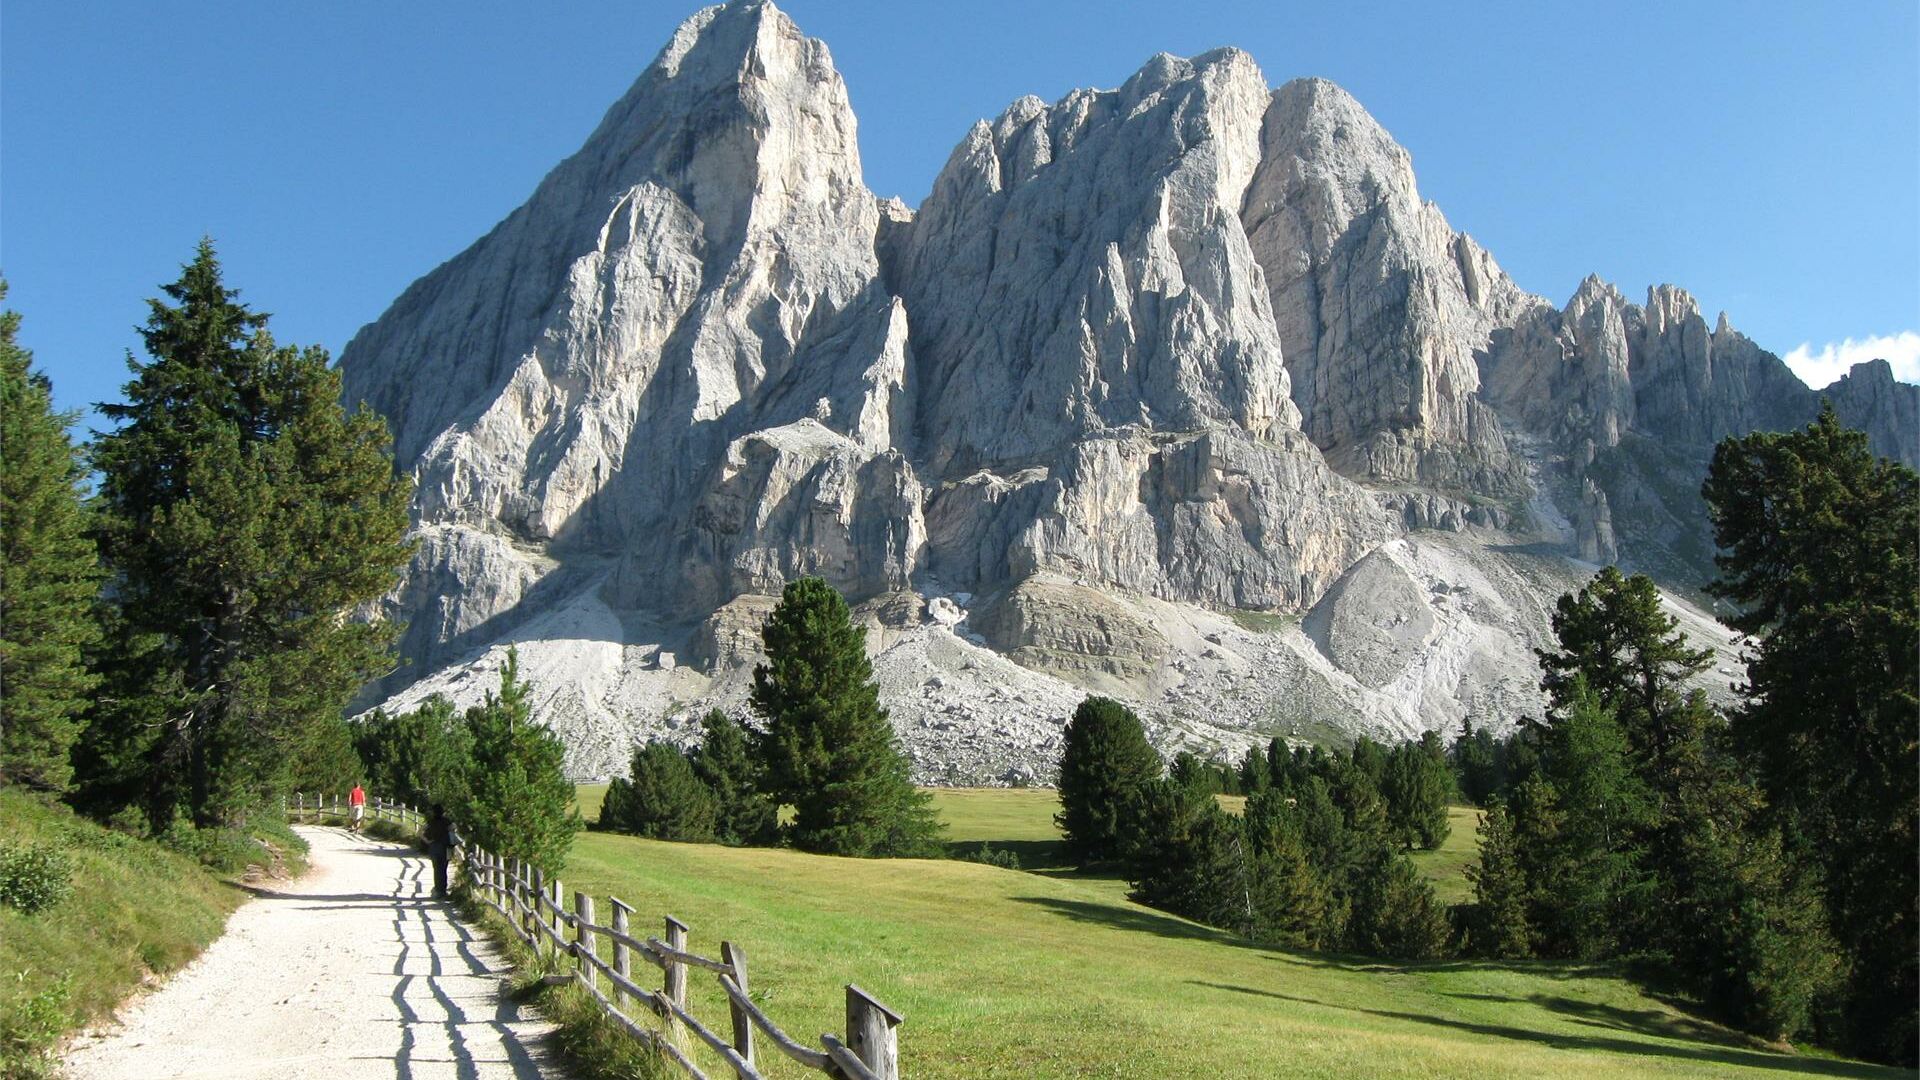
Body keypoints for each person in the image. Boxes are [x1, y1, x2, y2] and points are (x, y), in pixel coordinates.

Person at [424, 804, 459, 901]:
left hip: (433, 847)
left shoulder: (430, 822)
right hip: (444, 847)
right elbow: (454, 826)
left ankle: (438, 890)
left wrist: (427, 841)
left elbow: (420, 832)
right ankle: (443, 890)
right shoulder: (446, 821)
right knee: (443, 868)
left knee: (436, 868)